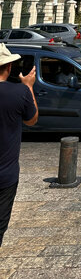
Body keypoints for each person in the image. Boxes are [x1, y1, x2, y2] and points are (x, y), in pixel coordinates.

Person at [0, 44, 38, 247]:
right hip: (5, 176)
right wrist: (29, 86)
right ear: (8, 67)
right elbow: (32, 120)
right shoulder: (19, 92)